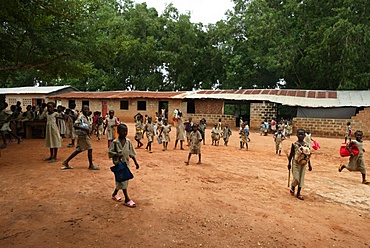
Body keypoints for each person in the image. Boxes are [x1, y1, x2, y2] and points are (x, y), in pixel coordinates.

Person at [109, 124, 140, 207]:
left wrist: (136, 162)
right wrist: (116, 154)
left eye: (126, 131)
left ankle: (115, 193)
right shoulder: (115, 142)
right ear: (118, 132)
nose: (125, 133)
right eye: (123, 131)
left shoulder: (128, 142)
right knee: (122, 180)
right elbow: (110, 152)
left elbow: (131, 153)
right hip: (118, 165)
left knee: (122, 180)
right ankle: (127, 199)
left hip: (126, 164)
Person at [61, 105, 99, 170]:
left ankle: (66, 161)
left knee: (78, 150)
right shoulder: (81, 117)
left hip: (84, 135)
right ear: (82, 110)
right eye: (85, 109)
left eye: (87, 109)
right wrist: (84, 129)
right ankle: (91, 165)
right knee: (90, 149)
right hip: (82, 136)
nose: (86, 111)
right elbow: (75, 125)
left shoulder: (86, 117)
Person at [287, 129, 312, 200]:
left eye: (302, 134)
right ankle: (293, 186)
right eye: (299, 134)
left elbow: (308, 155)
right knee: (296, 177)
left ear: (304, 136)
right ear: (296, 135)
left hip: (303, 164)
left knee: (301, 178)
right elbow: (291, 154)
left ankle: (298, 193)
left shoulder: (306, 145)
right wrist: (289, 163)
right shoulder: (294, 144)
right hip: (295, 163)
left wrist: (309, 165)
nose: (300, 136)